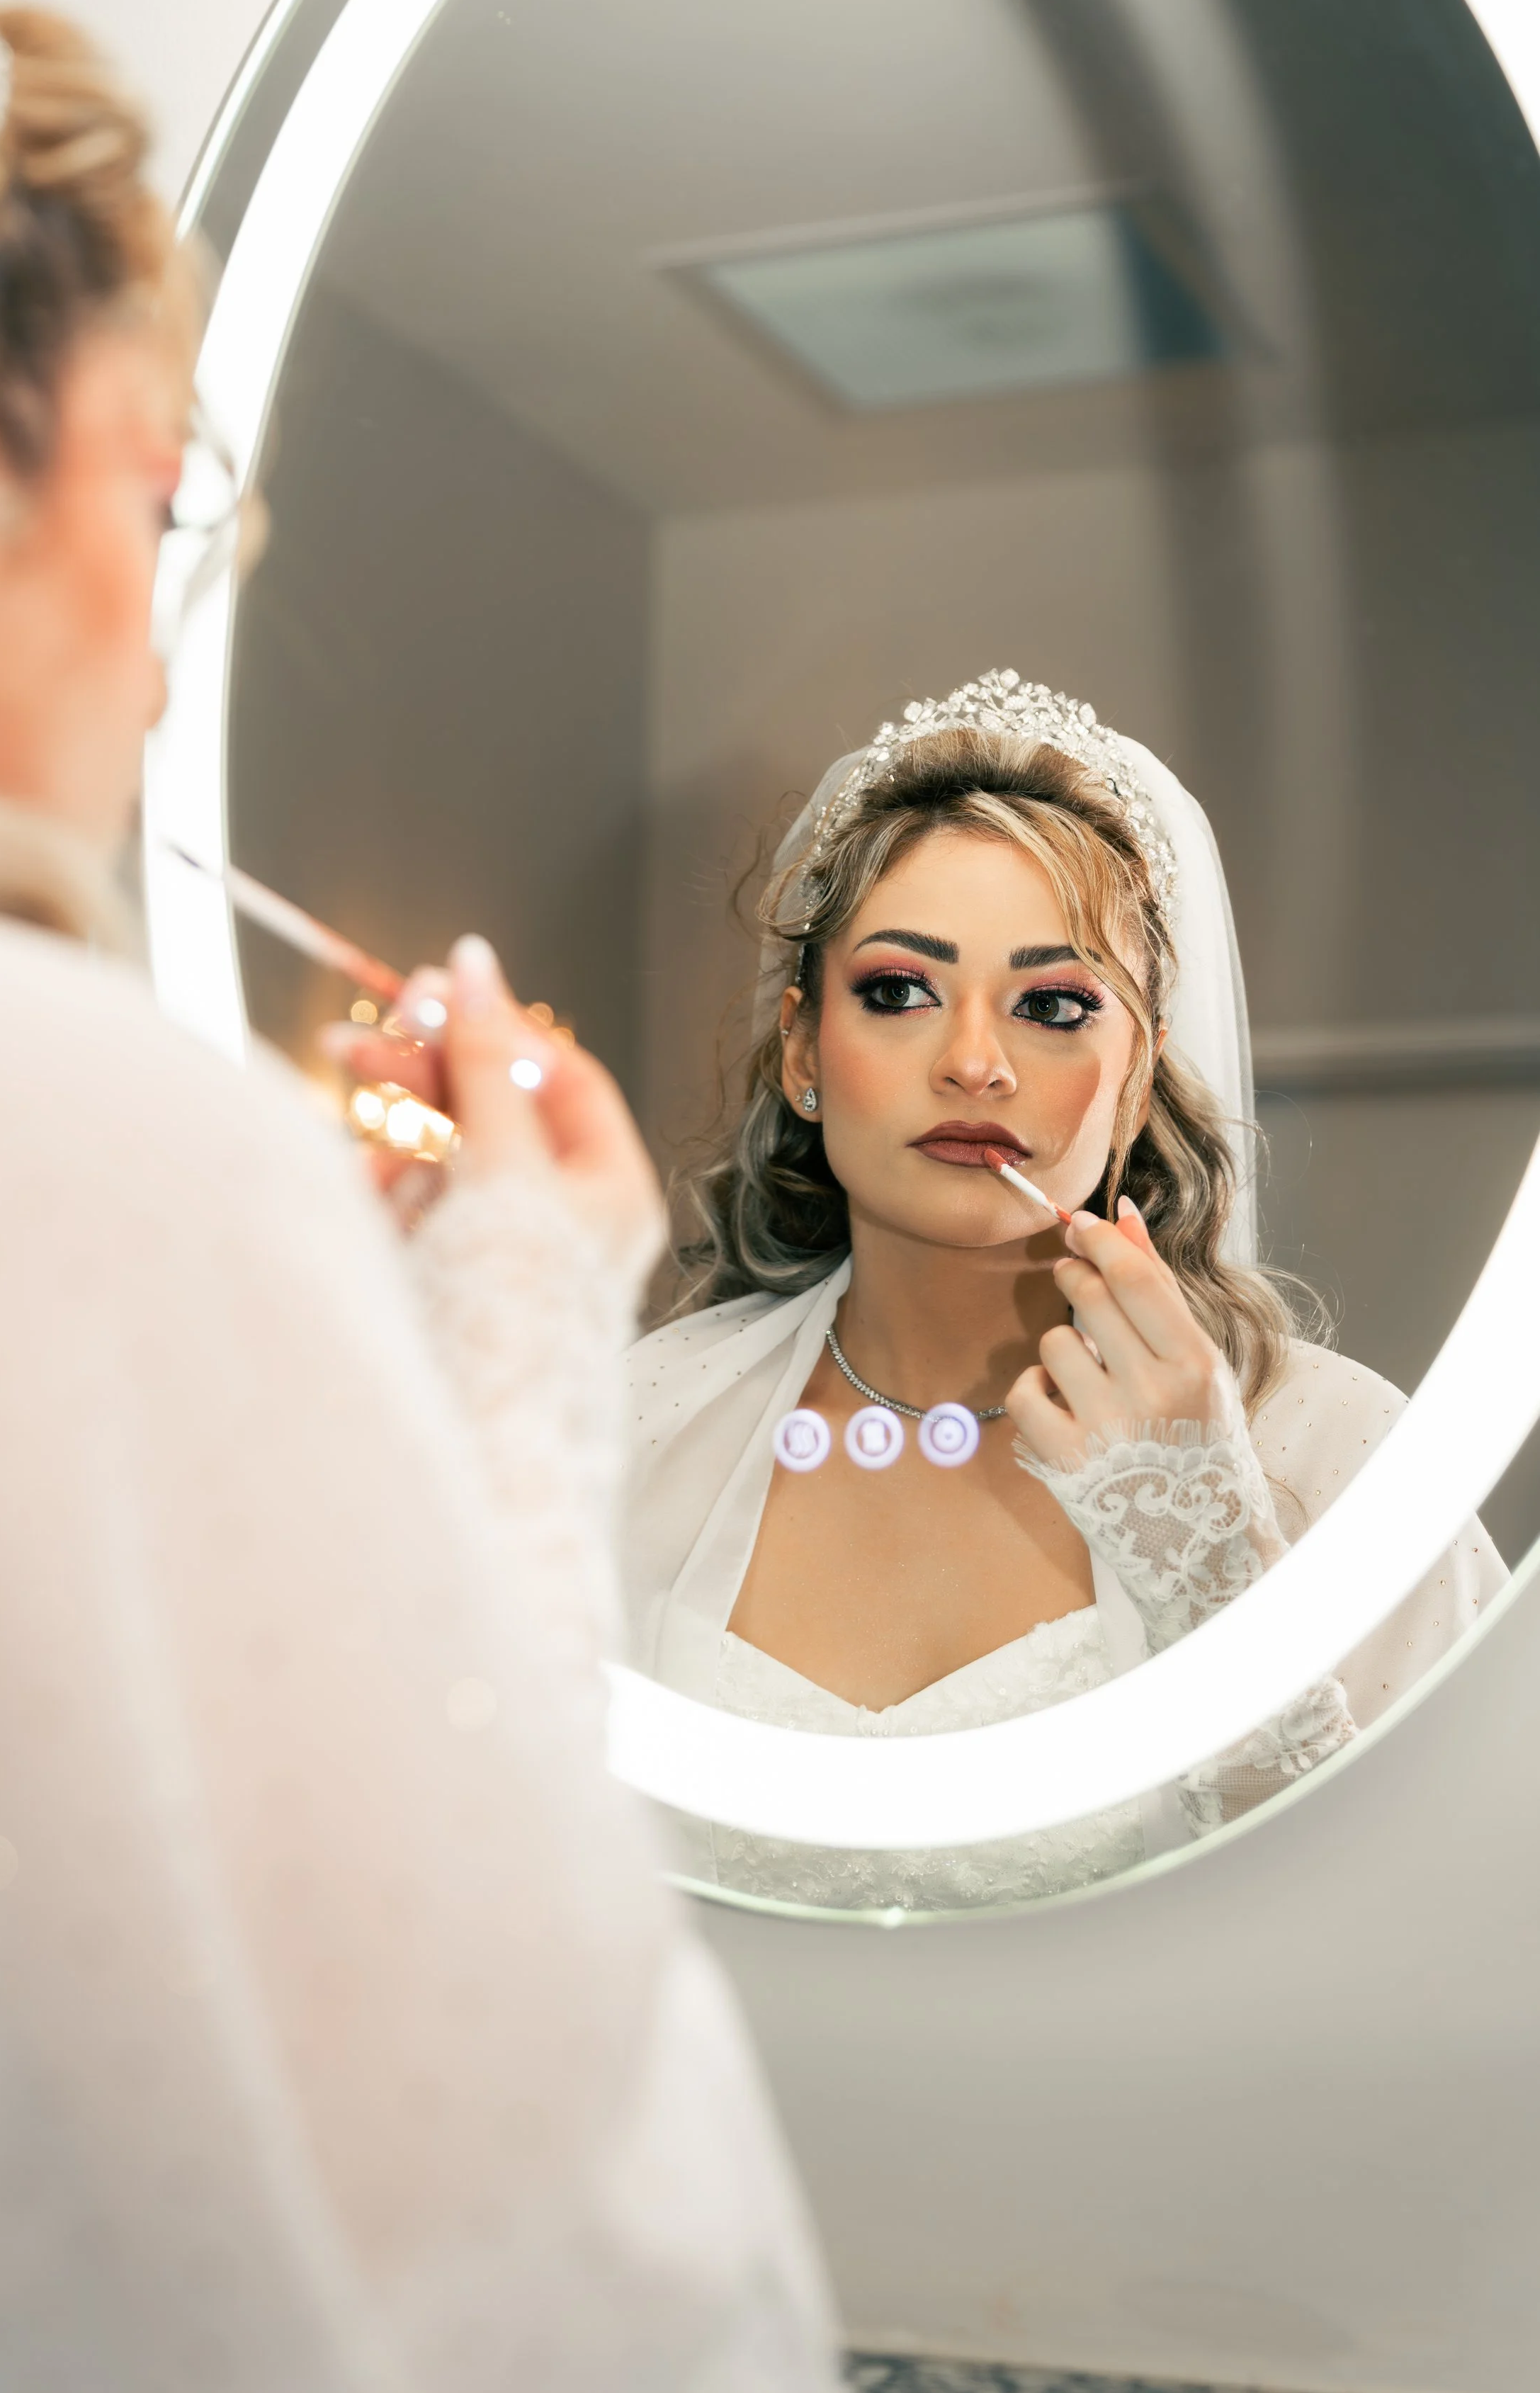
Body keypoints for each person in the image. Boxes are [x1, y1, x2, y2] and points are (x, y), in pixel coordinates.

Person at [0, 0, 836, 2393]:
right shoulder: (87, 1156)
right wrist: (515, 1323)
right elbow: (553, 2289)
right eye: (163, 492)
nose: (160, 647)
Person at [625, 676, 1505, 1913]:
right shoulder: (642, 1427)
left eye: (1053, 1005)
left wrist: (1213, 1570)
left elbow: (1450, 1939)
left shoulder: (1341, 1460)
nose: (974, 1061)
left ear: (1138, 1072)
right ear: (804, 1050)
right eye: (896, 989)